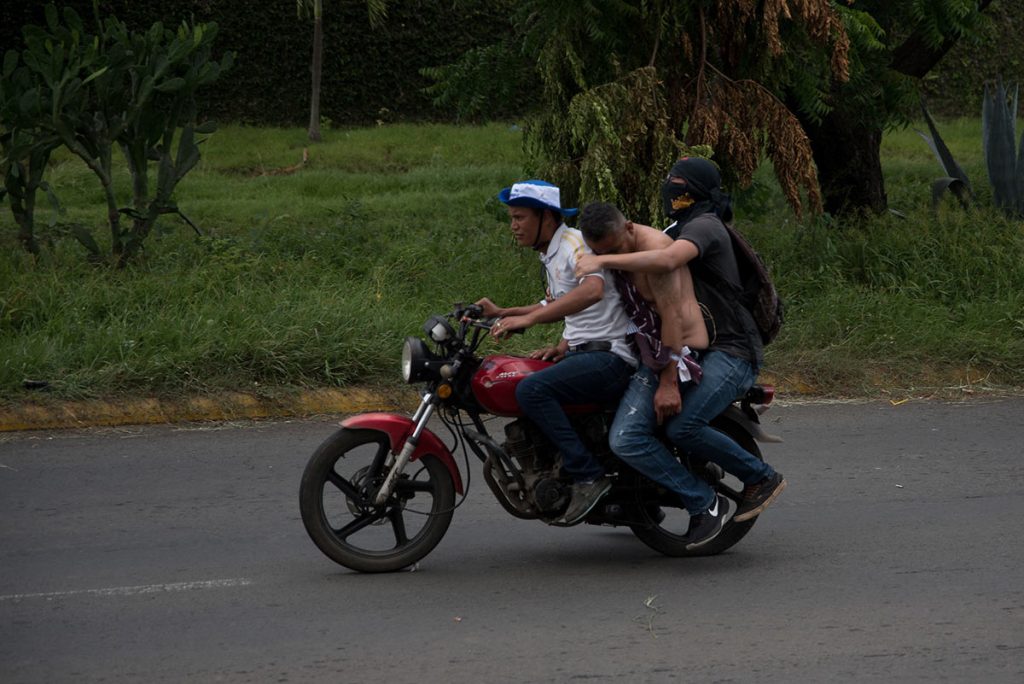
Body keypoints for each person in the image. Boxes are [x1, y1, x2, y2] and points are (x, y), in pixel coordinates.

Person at [575, 158, 786, 539]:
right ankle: (632, 498)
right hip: (694, 349)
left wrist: (602, 258)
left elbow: (668, 259)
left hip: (731, 349)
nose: (674, 194)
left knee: (682, 425)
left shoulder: (705, 226)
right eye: (670, 185)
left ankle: (759, 479)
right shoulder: (676, 227)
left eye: (682, 187)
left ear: (702, 192)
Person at [477, 180, 637, 524]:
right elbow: (558, 303)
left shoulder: (574, 244)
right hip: (585, 352)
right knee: (529, 373)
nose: (514, 225)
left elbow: (593, 290)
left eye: (520, 217)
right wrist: (502, 313)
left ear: (547, 218)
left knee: (531, 390)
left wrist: (532, 319)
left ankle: (588, 475)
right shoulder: (551, 252)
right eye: (511, 218)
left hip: (611, 357)